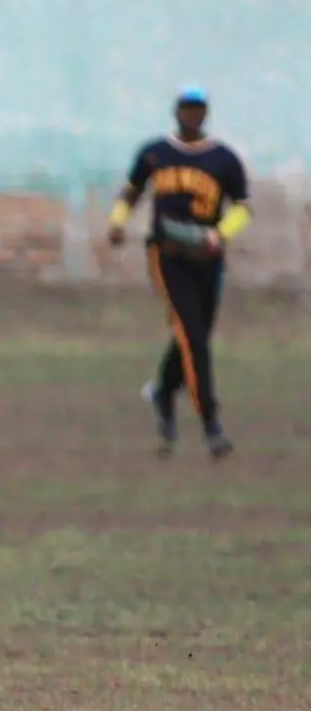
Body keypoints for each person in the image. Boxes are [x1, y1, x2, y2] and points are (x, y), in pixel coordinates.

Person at [105, 87, 251, 459]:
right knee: (193, 337)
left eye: (198, 109)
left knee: (195, 334)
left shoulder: (223, 159)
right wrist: (118, 222)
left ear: (206, 115)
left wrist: (221, 234)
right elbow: (132, 190)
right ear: (175, 112)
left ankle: (164, 391)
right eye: (186, 109)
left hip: (206, 258)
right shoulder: (156, 153)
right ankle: (211, 425)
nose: (191, 116)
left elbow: (243, 208)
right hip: (167, 256)